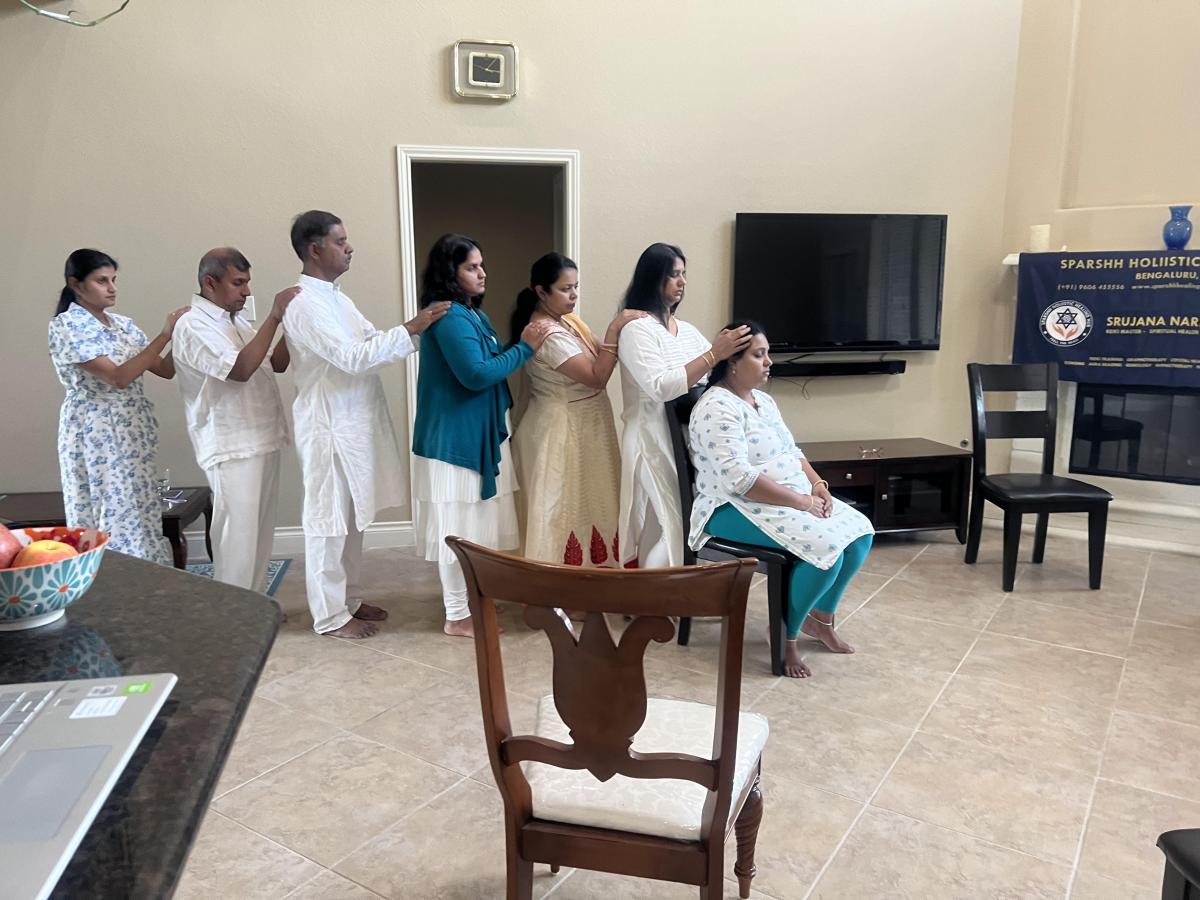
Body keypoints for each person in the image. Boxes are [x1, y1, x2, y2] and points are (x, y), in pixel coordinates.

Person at [283, 211, 450, 639]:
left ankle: (349, 600)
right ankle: (329, 616)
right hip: (328, 427)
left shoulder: (338, 299)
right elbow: (352, 358)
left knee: (353, 519)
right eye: (340, 241)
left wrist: (423, 333)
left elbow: (372, 340)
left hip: (352, 423)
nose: (350, 247)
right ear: (315, 249)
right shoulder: (304, 304)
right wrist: (411, 328)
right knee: (328, 522)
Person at [688, 322, 875, 678]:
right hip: (731, 506)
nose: (769, 362)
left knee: (860, 533)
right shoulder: (716, 408)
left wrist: (817, 485)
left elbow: (792, 450)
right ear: (732, 362)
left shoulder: (764, 401)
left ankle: (819, 619)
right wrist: (801, 503)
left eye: (767, 354)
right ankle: (785, 636)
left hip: (786, 496)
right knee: (825, 552)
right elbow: (740, 480)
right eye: (759, 355)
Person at [412, 234, 552, 637]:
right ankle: (457, 615)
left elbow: (488, 360)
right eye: (472, 267)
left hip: (476, 434)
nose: (482, 273)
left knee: (473, 526)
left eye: (482, 265)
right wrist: (524, 348)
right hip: (456, 439)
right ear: (450, 272)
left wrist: (520, 345)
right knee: (458, 528)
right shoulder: (450, 317)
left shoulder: (471, 314)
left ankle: (472, 602)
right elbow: (475, 375)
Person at [48, 248, 189, 565]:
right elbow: (118, 377)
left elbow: (164, 369)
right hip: (95, 429)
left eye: (113, 280)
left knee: (140, 506)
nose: (112, 288)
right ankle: (110, 579)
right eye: (102, 281)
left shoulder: (123, 326)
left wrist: (186, 332)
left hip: (131, 429)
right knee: (108, 508)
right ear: (76, 284)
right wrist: (164, 334)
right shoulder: (68, 325)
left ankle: (146, 576)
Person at [616, 242, 752, 568]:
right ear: (654, 278)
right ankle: (656, 593)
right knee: (671, 522)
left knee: (677, 523)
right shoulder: (636, 330)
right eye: (674, 275)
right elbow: (661, 387)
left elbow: (712, 377)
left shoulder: (686, 330)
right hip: (652, 438)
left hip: (688, 437)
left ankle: (663, 591)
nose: (682, 282)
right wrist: (714, 353)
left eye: (683, 274)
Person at [172, 247, 297, 591]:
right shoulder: (192, 325)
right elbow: (240, 370)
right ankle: (234, 611)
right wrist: (274, 317)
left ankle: (255, 605)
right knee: (237, 540)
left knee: (259, 536)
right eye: (238, 283)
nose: (246, 291)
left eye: (247, 282)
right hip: (231, 444)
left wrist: (294, 322)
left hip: (263, 435)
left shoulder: (237, 321)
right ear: (209, 282)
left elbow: (276, 363)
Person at [510, 253, 644, 567]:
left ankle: (594, 575)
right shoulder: (547, 334)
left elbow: (603, 353)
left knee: (592, 499)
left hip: (585, 426)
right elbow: (596, 376)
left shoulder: (568, 321)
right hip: (562, 432)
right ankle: (561, 583)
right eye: (565, 288)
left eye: (576, 287)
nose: (573, 295)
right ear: (541, 292)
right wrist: (615, 328)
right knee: (564, 505)